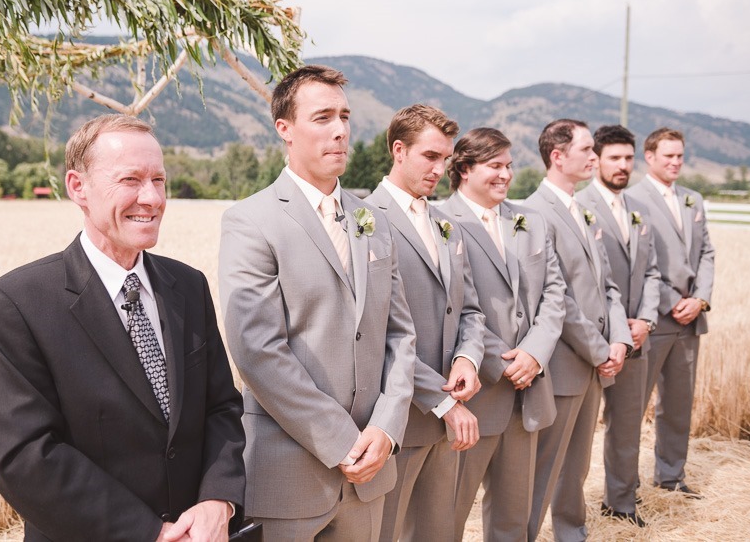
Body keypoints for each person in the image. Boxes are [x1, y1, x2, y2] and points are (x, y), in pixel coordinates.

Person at [0, 114, 246, 542]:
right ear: (77, 187)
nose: (152, 198)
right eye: (131, 180)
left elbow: (221, 407)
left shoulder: (189, 286)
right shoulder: (16, 303)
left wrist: (219, 499)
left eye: (159, 180)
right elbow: (26, 456)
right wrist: (150, 533)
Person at [218, 65, 417, 540]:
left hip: (371, 469)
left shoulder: (373, 219)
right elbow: (257, 351)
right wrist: (343, 441)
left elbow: (400, 333)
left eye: (345, 116)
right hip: (290, 473)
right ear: (284, 129)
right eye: (323, 117)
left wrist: (386, 430)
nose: (341, 130)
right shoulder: (251, 221)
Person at [364, 105, 485, 542]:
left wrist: (469, 359)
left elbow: (470, 309)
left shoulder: (446, 225)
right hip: (397, 420)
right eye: (430, 157)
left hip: (448, 421)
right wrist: (442, 401)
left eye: (446, 159)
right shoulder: (364, 221)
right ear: (399, 150)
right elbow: (378, 332)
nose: (441, 169)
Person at [443, 127, 566, 542]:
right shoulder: (443, 223)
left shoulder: (530, 221)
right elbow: (457, 307)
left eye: (509, 165)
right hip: (475, 396)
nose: (506, 175)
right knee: (448, 516)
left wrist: (534, 354)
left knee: (514, 518)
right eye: (495, 166)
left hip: (529, 392)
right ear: (464, 169)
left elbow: (554, 292)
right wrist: (504, 363)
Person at [525, 118, 632, 542]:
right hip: (566, 363)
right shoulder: (535, 212)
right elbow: (558, 299)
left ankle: (572, 533)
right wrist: (599, 349)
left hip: (594, 360)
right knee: (543, 467)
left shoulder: (583, 209)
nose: (594, 157)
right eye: (587, 150)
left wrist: (620, 339)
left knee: (578, 464)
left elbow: (607, 284)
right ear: (558, 156)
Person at [575, 124, 660, 527]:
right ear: (596, 161)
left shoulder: (637, 212)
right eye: (614, 158)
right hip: (589, 342)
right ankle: (568, 515)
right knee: (574, 440)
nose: (623, 166)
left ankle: (621, 503)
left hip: (636, 341)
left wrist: (644, 321)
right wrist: (612, 334)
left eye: (628, 158)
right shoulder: (578, 206)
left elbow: (654, 273)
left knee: (627, 427)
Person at [626, 127, 715, 500]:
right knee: (631, 408)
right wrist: (669, 301)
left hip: (691, 319)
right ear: (650, 157)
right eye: (669, 156)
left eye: (680, 155)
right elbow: (636, 261)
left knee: (678, 405)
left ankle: (671, 476)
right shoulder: (631, 199)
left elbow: (707, 253)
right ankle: (623, 485)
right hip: (652, 319)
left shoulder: (693, 199)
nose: (676, 162)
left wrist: (699, 299)